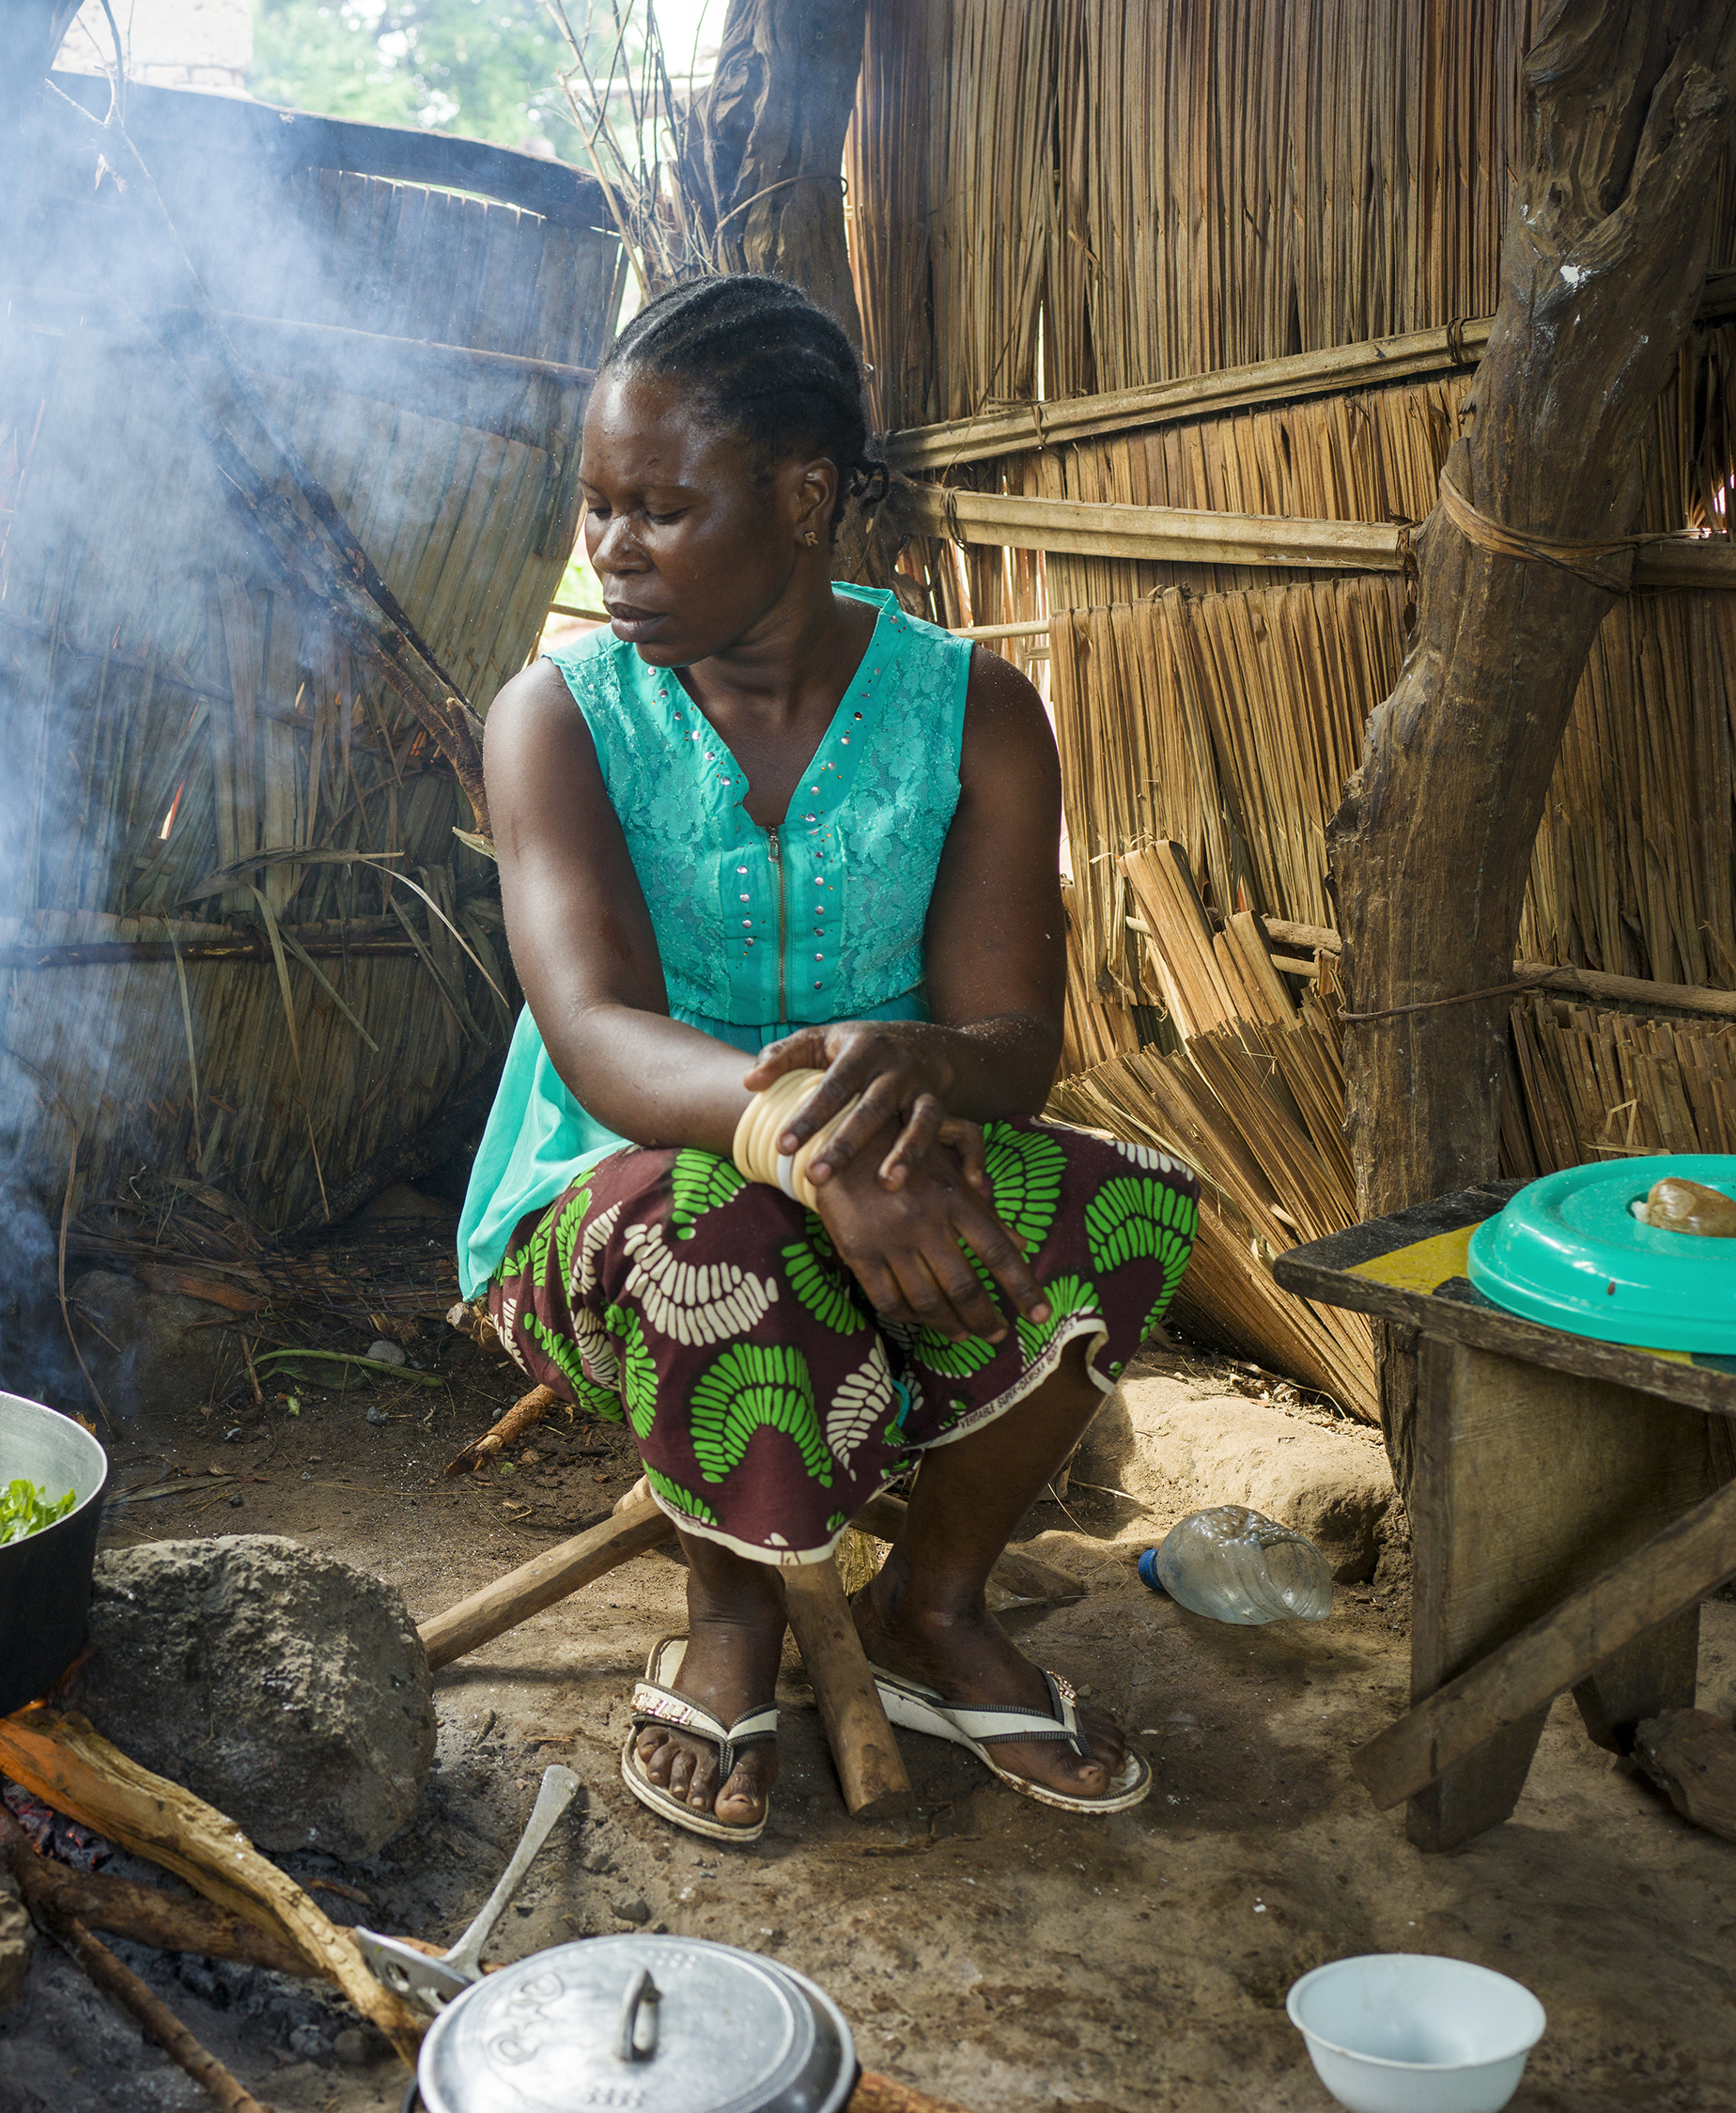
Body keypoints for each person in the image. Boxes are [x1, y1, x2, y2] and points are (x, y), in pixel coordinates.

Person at [456, 275, 1199, 1841]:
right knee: (724, 1239)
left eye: (660, 507)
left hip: (887, 1172)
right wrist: (806, 1139)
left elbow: (1016, 1048)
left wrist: (912, 1062)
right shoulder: (558, 718)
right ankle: (728, 1615)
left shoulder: (976, 713)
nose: (611, 550)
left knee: (1127, 1203)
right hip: (607, 1189)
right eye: (596, 506)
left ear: (804, 500)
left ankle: (935, 1604)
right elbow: (593, 1035)